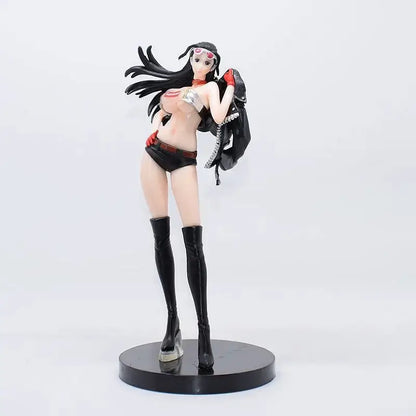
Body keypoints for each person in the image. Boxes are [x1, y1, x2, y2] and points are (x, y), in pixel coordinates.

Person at [124, 42, 250, 371]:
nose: (201, 61)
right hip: (154, 153)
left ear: (214, 65)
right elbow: (161, 110)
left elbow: (219, 116)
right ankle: (172, 322)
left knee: (193, 243)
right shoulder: (178, 88)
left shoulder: (210, 90)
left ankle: (204, 332)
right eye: (197, 56)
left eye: (208, 60)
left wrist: (230, 85)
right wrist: (157, 125)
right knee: (160, 236)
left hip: (183, 160)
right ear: (189, 58)